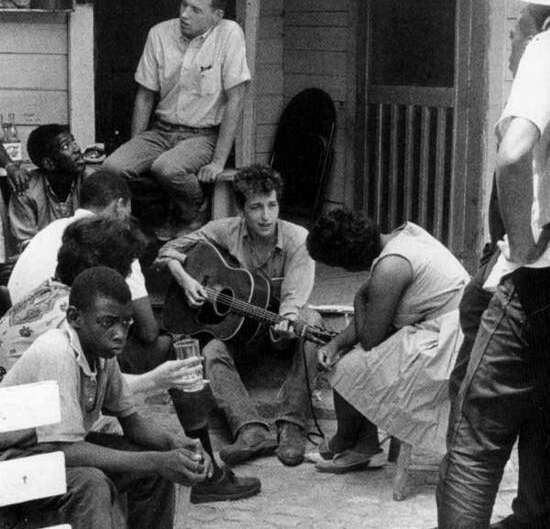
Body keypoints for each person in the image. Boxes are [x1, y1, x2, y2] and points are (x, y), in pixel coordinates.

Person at [367, 0, 550, 529]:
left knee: (473, 445)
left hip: (538, 285)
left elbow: (512, 155)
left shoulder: (545, 48)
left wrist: (526, 239)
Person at [1, 214, 261, 505]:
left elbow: (118, 407)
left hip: (50, 426)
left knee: (149, 454)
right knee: (107, 475)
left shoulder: (52, 294)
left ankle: (197, 467)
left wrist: (170, 444)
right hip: (24, 448)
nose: (124, 281)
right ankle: (206, 477)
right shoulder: (72, 323)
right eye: (123, 271)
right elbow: (65, 441)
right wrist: (158, 380)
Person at [0, 266, 211, 529]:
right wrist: (158, 460)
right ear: (74, 317)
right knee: (91, 482)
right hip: (11, 465)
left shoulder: (100, 351)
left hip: (44, 456)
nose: (120, 333)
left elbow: (132, 423)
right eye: (108, 322)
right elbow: (65, 450)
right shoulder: (57, 351)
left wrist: (174, 445)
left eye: (126, 323)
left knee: (151, 460)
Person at [156, 163, 320, 467]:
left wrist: (287, 320)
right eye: (256, 207)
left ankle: (293, 425)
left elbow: (295, 297)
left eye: (272, 205)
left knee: (312, 326)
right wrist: (184, 277)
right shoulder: (225, 229)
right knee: (212, 349)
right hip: (242, 333)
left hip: (280, 327)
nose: (266, 216)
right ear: (241, 209)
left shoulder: (298, 239)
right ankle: (251, 429)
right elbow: (168, 250)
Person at [306, 210, 468, 473]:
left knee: (349, 365)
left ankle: (356, 444)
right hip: (448, 329)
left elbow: (371, 339)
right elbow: (375, 322)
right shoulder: (402, 236)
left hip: (451, 344)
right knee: (350, 356)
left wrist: (359, 297)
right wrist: (335, 343)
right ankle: (358, 443)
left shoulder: (390, 267)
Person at [104, 0, 250, 236]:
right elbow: (145, 95)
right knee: (113, 167)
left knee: (167, 168)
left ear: (216, 15)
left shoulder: (229, 33)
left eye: (195, 9)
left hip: (203, 135)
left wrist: (218, 161)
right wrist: (135, 146)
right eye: (183, 5)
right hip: (161, 130)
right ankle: (152, 218)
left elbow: (236, 99)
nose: (185, 14)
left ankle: (194, 209)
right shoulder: (159, 33)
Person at [8, 168, 169, 375]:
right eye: (129, 210)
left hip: (21, 338)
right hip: (42, 365)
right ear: (120, 205)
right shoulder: (116, 242)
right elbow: (148, 332)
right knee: (163, 344)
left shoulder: (55, 228)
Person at [8, 124, 87, 248]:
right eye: (66, 146)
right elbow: (27, 246)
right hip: (43, 261)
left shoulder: (89, 180)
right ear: (49, 164)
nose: (77, 148)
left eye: (74, 141)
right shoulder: (25, 190)